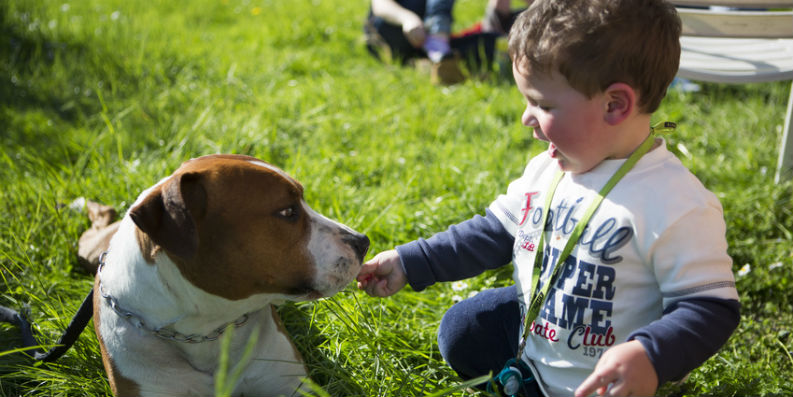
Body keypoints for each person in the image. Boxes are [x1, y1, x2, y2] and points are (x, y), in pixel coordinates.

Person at [357, 0, 741, 396]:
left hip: (607, 383)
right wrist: (412, 261)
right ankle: (527, 381)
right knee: (463, 329)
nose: (526, 118)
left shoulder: (676, 203)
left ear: (615, 105)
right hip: (536, 340)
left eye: (542, 104)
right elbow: (491, 233)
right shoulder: (548, 169)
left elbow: (710, 308)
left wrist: (649, 354)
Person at [365, 0, 498, 85]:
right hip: (392, 30)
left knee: (491, 42)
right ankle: (440, 53)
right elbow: (381, 5)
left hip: (426, 37)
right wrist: (407, 19)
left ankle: (433, 60)